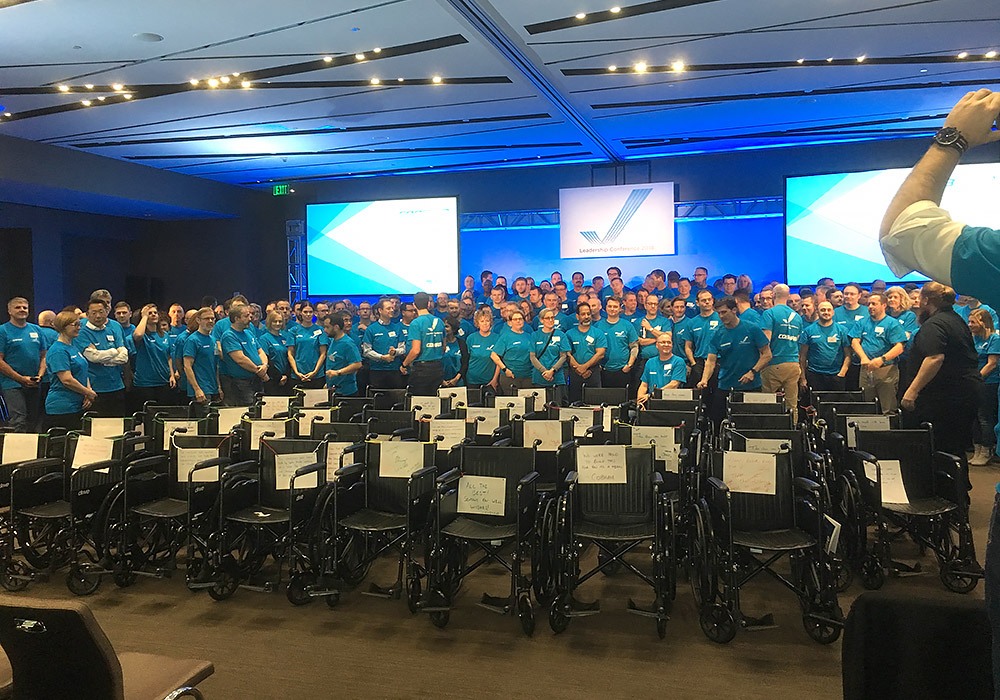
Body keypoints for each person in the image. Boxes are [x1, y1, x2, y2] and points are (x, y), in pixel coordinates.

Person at [878, 88, 1000, 697]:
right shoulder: (955, 321)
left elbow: (902, 230)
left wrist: (953, 140)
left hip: (942, 406)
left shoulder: (940, 321)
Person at [698, 297, 772, 425]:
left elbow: (767, 355)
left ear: (734, 310)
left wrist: (753, 372)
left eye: (724, 312)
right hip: (725, 384)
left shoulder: (751, 328)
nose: (721, 316)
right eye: (719, 313)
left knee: (750, 423)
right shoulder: (717, 334)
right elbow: (710, 361)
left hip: (751, 385)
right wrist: (704, 379)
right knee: (716, 420)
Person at [41, 310, 96, 432]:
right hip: (62, 407)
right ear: (63, 326)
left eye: (79, 324)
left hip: (77, 404)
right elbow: (66, 380)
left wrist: (88, 391)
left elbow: (83, 371)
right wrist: (87, 392)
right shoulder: (58, 351)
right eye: (75, 325)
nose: (79, 328)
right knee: (63, 443)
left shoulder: (72, 347)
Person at [850, 293, 907, 412]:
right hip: (866, 368)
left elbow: (899, 347)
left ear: (884, 305)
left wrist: (882, 359)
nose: (870, 306)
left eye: (874, 304)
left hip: (886, 368)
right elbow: (855, 341)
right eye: (869, 304)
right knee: (867, 405)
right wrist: (863, 357)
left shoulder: (892, 323)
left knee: (888, 406)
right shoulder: (862, 322)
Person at [75, 298, 129, 416]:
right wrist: (114, 351)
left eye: (101, 312)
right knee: (97, 424)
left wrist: (104, 357)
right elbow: (93, 357)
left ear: (107, 312)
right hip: (95, 388)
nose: (98, 316)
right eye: (94, 313)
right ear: (87, 314)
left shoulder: (113, 328)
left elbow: (124, 357)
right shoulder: (81, 332)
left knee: (118, 423)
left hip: (116, 386)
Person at [0, 297, 46, 432]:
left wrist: (40, 375)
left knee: (33, 421)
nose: (22, 310)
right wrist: (20, 378)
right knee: (18, 421)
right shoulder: (3, 331)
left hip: (34, 383)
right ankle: (16, 447)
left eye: (25, 307)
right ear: (9, 311)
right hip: (12, 384)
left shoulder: (36, 330)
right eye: (17, 307)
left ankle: (31, 446)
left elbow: (44, 355)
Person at [759, 284, 804, 418]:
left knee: (769, 403)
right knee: (792, 405)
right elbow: (798, 340)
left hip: (773, 363)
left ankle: (771, 428)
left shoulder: (769, 313)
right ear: (788, 296)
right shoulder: (797, 317)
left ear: (773, 295)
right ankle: (792, 427)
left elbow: (765, 341)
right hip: (793, 364)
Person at [219, 304, 268, 406]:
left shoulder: (248, 333)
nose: (250, 318)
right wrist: (259, 371)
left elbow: (260, 351)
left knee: (260, 408)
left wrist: (264, 365)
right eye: (246, 316)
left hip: (256, 379)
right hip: (241, 382)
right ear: (236, 318)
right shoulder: (229, 336)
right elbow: (240, 359)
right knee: (248, 409)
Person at [799, 300, 852, 394]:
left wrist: (842, 373)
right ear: (817, 312)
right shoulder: (808, 331)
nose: (826, 312)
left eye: (828, 310)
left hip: (836, 375)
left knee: (837, 403)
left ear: (833, 312)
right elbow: (802, 356)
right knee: (816, 402)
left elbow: (848, 354)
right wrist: (803, 378)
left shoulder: (842, 330)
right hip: (815, 375)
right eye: (823, 310)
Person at [969, 308, 1000, 465]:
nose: (970, 325)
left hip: (989, 383)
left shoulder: (994, 339)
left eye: (973, 322)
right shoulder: (973, 339)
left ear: (983, 322)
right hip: (974, 382)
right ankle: (977, 449)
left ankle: (987, 449)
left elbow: (992, 363)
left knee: (985, 417)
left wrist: (977, 379)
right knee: (974, 417)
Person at [131, 304, 174, 410]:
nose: (153, 315)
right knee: (147, 414)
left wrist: (172, 375)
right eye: (150, 313)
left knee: (163, 413)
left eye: (155, 312)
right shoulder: (142, 335)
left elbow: (168, 356)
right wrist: (144, 316)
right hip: (145, 383)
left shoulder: (165, 335)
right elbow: (138, 335)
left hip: (163, 380)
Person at [401, 292, 445, 396]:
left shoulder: (416, 323)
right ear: (428, 304)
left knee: (420, 401)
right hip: (438, 367)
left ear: (414, 305)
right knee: (436, 399)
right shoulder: (439, 321)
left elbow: (416, 350)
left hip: (422, 370)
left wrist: (404, 364)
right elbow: (443, 347)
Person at [565, 302, 606, 403]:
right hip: (575, 373)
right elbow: (567, 354)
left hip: (593, 372)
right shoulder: (569, 334)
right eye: (583, 314)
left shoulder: (598, 333)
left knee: (595, 403)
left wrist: (584, 367)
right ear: (577, 316)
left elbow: (600, 353)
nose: (586, 317)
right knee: (574, 404)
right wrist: (579, 368)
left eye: (588, 314)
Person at [596, 296, 638, 392]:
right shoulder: (598, 326)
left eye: (615, 307)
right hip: (604, 370)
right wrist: (597, 365)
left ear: (620, 309)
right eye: (610, 306)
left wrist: (629, 364)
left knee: (623, 398)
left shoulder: (627, 325)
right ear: (605, 308)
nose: (612, 309)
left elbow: (634, 347)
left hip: (623, 370)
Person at [530, 308, 570, 404]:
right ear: (541, 320)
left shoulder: (561, 335)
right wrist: (544, 371)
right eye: (547, 318)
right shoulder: (535, 335)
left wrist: (552, 370)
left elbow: (563, 356)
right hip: (539, 377)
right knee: (539, 407)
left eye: (552, 317)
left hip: (557, 377)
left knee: (556, 407)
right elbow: (532, 356)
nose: (551, 320)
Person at [363, 299, 404, 390]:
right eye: (388, 308)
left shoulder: (397, 328)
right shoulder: (371, 329)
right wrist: (382, 357)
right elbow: (366, 351)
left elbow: (403, 348)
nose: (392, 310)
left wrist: (395, 352)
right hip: (377, 370)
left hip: (394, 370)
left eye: (392, 308)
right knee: (378, 396)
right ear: (380, 310)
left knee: (396, 396)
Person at [636, 332, 687, 407]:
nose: (666, 345)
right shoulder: (650, 362)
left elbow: (674, 384)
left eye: (669, 342)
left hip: (670, 402)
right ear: (657, 345)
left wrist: (651, 395)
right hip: (651, 402)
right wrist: (640, 401)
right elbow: (644, 385)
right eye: (663, 342)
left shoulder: (679, 361)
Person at [683, 290, 720, 392]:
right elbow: (688, 346)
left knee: (718, 394)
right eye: (704, 300)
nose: (707, 302)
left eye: (709, 299)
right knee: (700, 394)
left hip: (719, 361)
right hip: (699, 362)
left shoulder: (721, 318)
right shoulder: (692, 323)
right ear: (697, 303)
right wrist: (693, 363)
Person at [183, 307, 221, 404]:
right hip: (201, 391)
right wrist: (197, 389)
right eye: (207, 318)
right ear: (198, 320)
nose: (210, 321)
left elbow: (216, 365)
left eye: (212, 318)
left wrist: (219, 387)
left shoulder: (213, 340)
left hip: (214, 389)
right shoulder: (192, 340)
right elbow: (187, 366)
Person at [490, 309, 532, 394]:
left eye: (520, 319)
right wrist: (505, 369)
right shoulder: (506, 336)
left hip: (527, 376)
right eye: (515, 319)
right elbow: (493, 355)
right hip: (510, 377)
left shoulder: (529, 336)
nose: (518, 321)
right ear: (510, 322)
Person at [323, 312, 362, 397]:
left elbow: (357, 364)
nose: (325, 330)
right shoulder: (333, 341)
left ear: (336, 327)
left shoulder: (347, 343)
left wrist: (338, 372)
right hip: (333, 389)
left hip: (346, 392)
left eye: (327, 327)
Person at [288, 302, 326, 389]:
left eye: (310, 312)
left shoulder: (320, 330)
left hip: (317, 375)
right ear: (300, 313)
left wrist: (315, 372)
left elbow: (323, 354)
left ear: (314, 313)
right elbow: (290, 354)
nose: (308, 314)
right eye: (305, 312)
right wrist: (296, 372)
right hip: (298, 374)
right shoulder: (293, 331)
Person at [258, 310, 293, 395]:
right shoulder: (264, 339)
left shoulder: (284, 338)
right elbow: (266, 360)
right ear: (270, 322)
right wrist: (279, 377)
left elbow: (289, 357)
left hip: (286, 379)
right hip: (272, 379)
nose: (277, 324)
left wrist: (286, 375)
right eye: (275, 321)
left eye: (280, 321)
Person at [465, 308, 500, 391]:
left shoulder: (497, 338)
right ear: (477, 323)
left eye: (487, 321)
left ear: (491, 322)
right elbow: (466, 359)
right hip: (472, 380)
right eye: (482, 321)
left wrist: (495, 379)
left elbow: (499, 362)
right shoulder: (471, 338)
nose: (485, 323)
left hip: (490, 381)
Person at [441, 317, 467, 388]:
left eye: (447, 326)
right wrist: (441, 380)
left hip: (459, 382)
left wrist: (456, 379)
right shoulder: (439, 344)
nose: (444, 329)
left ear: (453, 328)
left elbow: (465, 363)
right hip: (442, 382)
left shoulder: (461, 343)